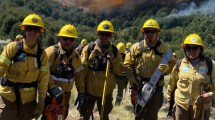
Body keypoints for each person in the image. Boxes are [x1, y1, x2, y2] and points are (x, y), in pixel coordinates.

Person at [0, 13, 50, 120]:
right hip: (8, 97)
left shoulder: (42, 54)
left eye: (36, 29)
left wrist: (41, 101)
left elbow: (44, 80)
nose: (32, 32)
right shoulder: (12, 47)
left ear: (39, 32)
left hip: (28, 101)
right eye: (29, 29)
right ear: (24, 30)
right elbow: (1, 66)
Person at [124, 19, 175, 120]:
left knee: (151, 116)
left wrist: (166, 69)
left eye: (153, 31)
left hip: (156, 88)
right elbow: (127, 65)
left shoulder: (164, 49)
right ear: (143, 33)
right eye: (147, 31)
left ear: (157, 33)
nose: (150, 34)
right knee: (138, 115)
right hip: (138, 87)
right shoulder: (135, 48)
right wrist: (133, 82)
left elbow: (173, 63)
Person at [79, 20, 122, 120]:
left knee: (104, 116)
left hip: (106, 92)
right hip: (89, 91)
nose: (104, 36)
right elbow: (81, 70)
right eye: (102, 34)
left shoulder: (115, 51)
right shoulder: (89, 48)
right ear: (98, 34)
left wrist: (113, 59)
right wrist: (91, 58)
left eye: (107, 34)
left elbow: (119, 71)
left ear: (111, 35)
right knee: (85, 116)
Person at [167, 33, 215, 120]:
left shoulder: (210, 64)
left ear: (200, 49)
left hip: (202, 106)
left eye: (195, 48)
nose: (191, 51)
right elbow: (172, 83)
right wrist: (170, 100)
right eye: (188, 48)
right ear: (185, 49)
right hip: (182, 105)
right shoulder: (179, 64)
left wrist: (210, 94)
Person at [42, 24, 85, 119]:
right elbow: (43, 73)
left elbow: (79, 76)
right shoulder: (51, 52)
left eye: (71, 39)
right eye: (65, 38)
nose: (68, 42)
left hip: (66, 95)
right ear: (60, 38)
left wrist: (81, 93)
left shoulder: (76, 56)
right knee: (49, 116)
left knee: (61, 116)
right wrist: (53, 87)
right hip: (50, 94)